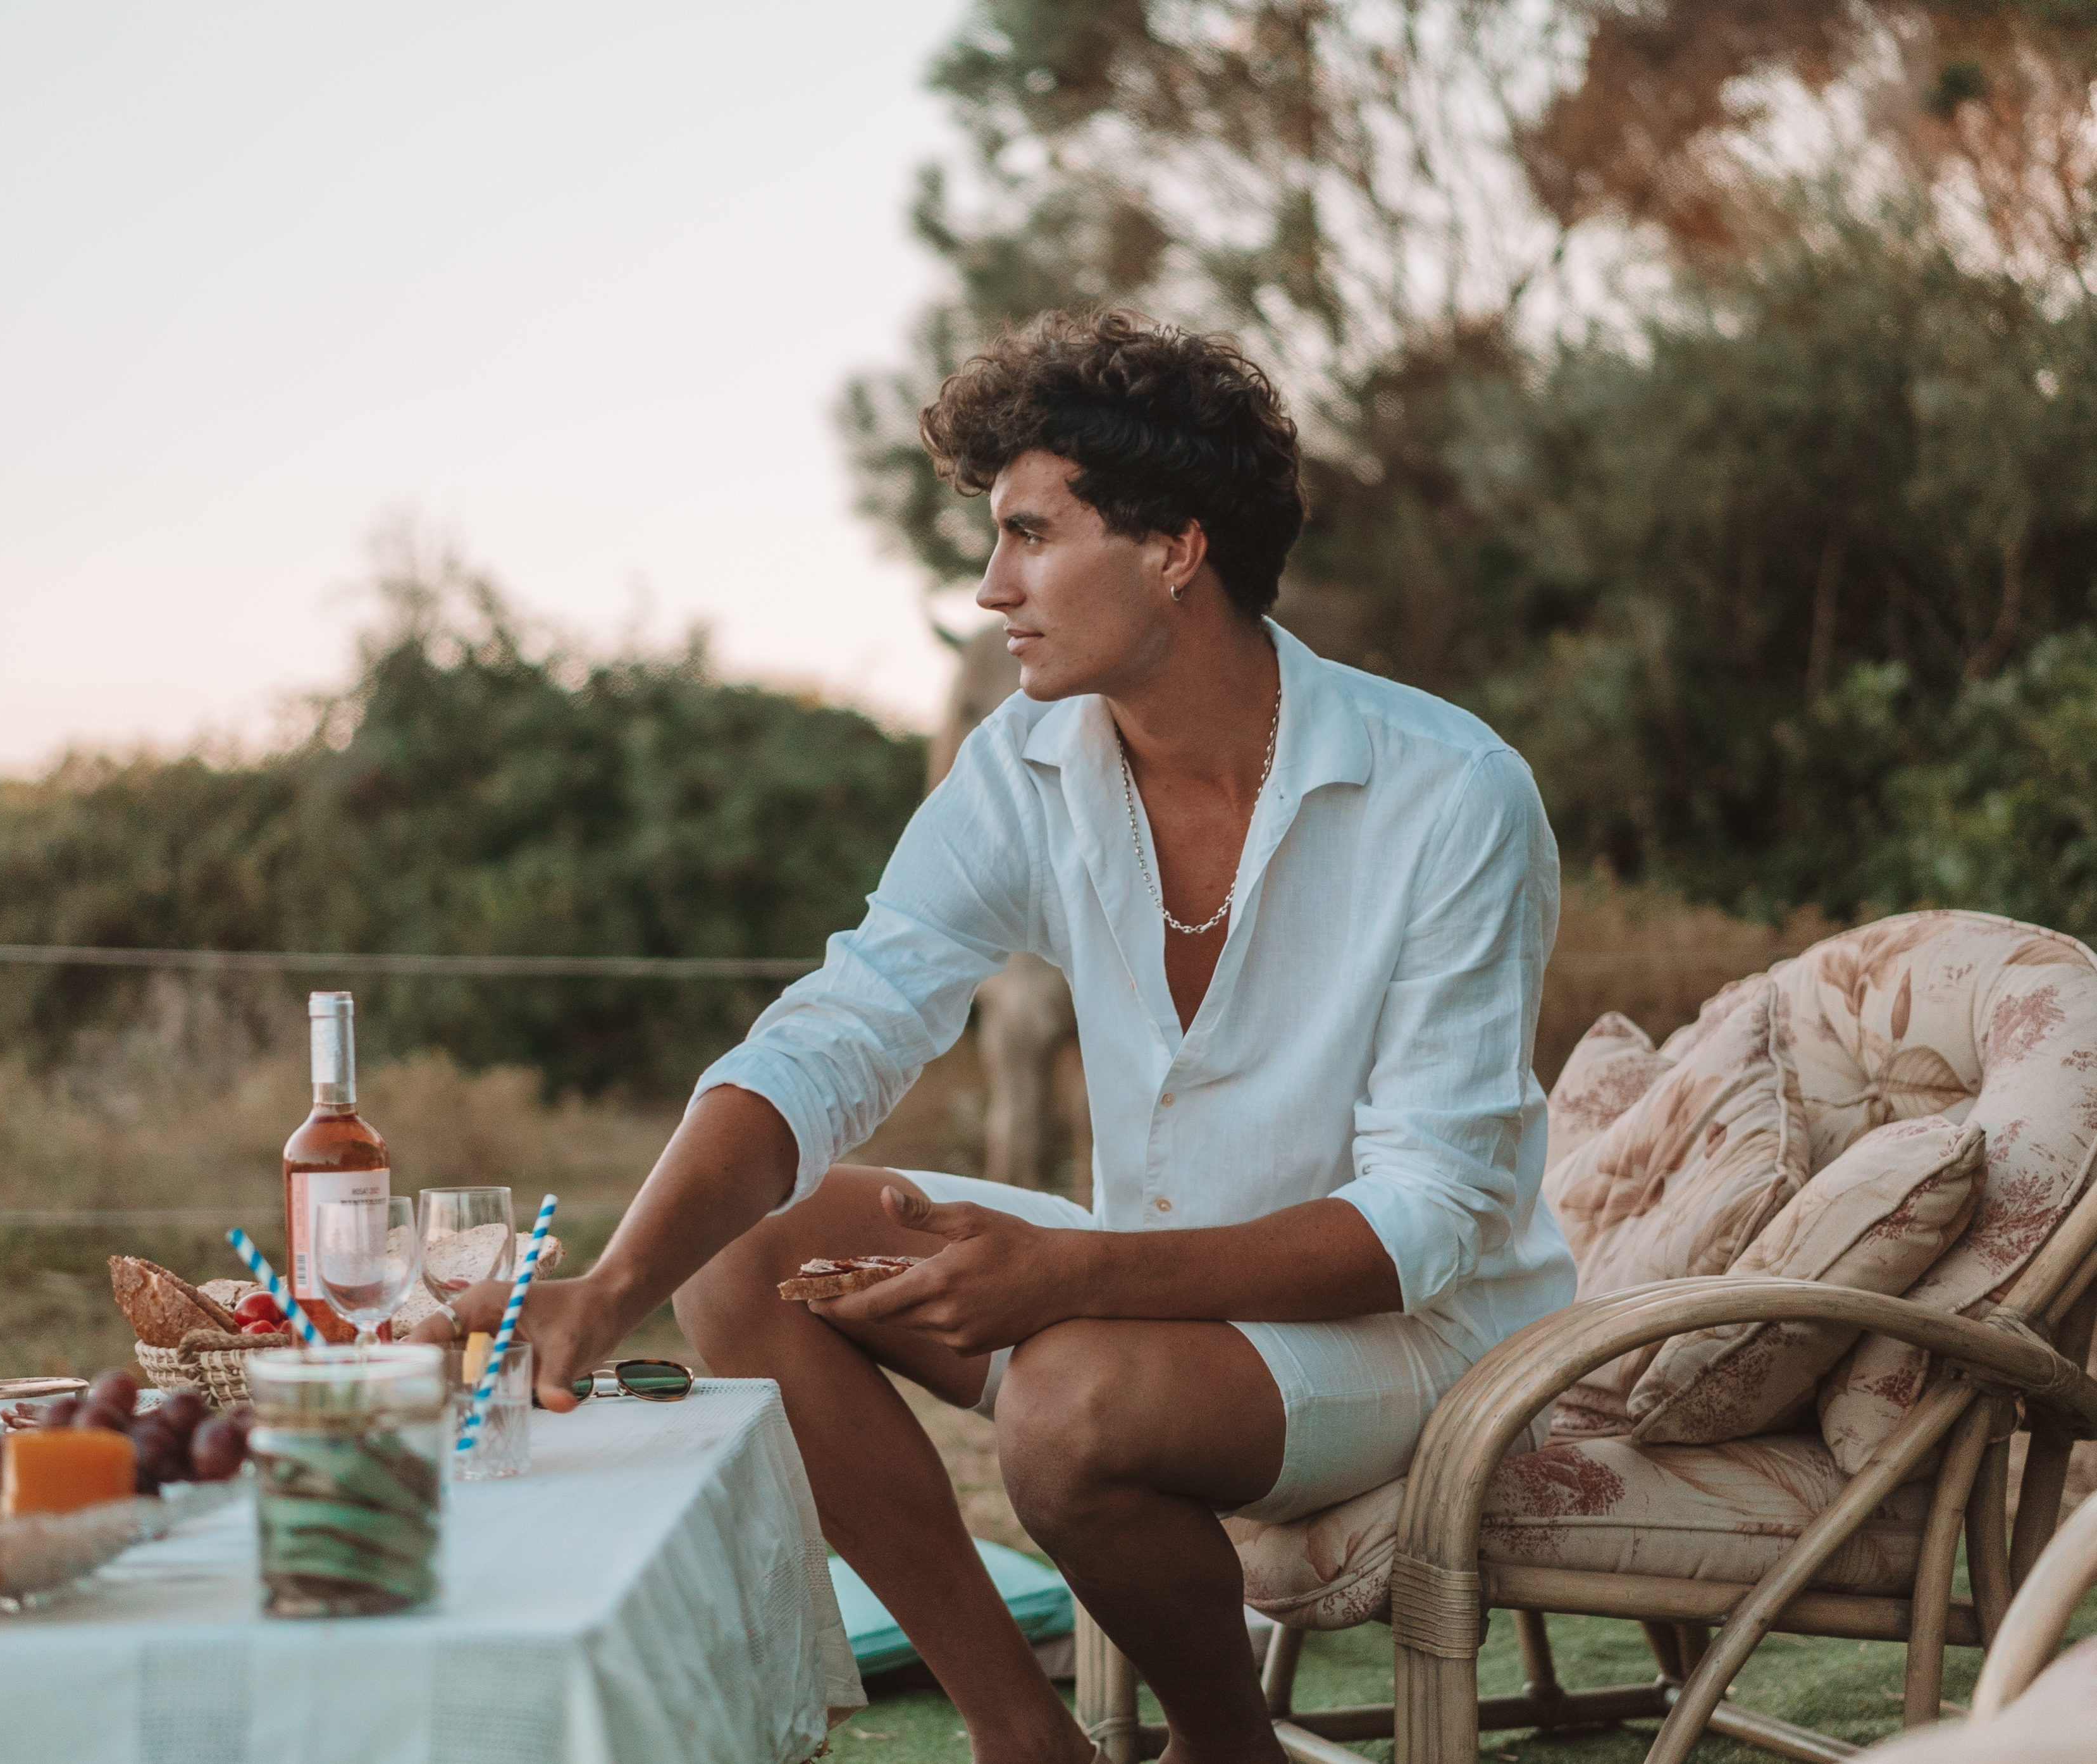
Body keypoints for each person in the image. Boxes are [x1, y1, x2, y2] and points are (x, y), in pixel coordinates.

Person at [417, 309, 1574, 1764]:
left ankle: (1232, 1754)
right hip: (1157, 1277)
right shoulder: (1026, 766)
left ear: (1174, 547)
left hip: (1420, 1337)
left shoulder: (1451, 793)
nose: (989, 589)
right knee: (745, 1252)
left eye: (1031, 536)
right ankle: (1026, 1739)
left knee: (1068, 1407)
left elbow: (1433, 1217)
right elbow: (846, 1019)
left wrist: (1071, 1275)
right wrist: (608, 1287)